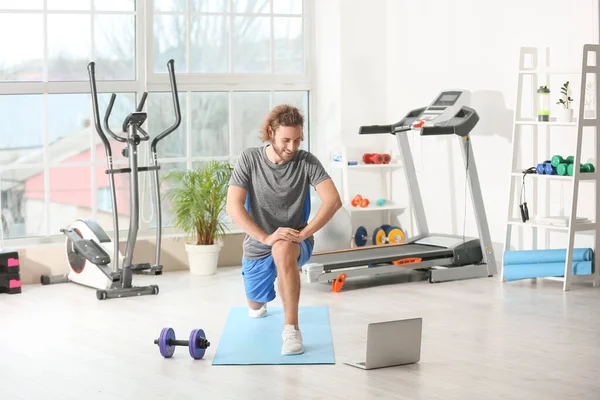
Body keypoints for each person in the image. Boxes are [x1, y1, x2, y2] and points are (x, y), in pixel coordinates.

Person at [226, 104, 342, 356]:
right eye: (286, 140)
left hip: (294, 240)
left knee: (283, 247)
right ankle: (261, 300)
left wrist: (304, 234)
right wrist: (265, 237)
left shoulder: (306, 161)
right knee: (256, 306)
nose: (292, 147)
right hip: (258, 243)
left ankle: (291, 329)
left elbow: (333, 200)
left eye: (297, 140)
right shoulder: (249, 159)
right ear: (270, 133)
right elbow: (233, 206)